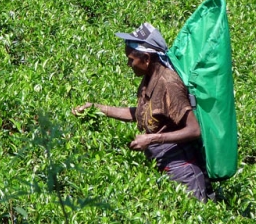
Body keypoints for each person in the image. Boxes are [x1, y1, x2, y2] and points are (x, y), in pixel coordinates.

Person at [72, 23, 212, 202]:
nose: (128, 64)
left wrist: (151, 139)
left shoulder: (168, 83)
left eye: (131, 59)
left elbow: (194, 129)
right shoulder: (150, 76)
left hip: (184, 172)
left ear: (146, 58)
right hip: (164, 164)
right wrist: (98, 108)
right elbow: (141, 113)